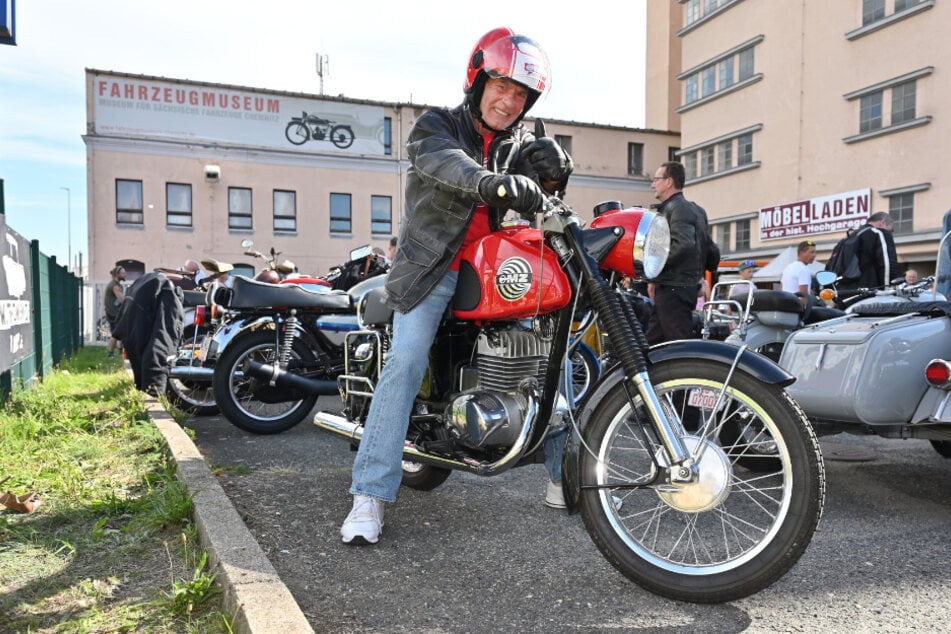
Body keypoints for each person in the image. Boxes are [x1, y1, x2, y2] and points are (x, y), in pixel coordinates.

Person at [340, 27, 573, 545]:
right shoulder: (435, 126)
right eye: (502, 86)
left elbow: (537, 191)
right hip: (433, 269)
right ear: (478, 78)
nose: (509, 101)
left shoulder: (518, 146)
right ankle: (369, 495)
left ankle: (564, 479)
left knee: (559, 353)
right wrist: (491, 181)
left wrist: (553, 176)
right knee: (405, 360)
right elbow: (446, 164)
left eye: (521, 94)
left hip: (496, 271)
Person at [645, 161, 711, 344]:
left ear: (669, 182)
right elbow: (711, 250)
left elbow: (683, 244)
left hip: (673, 289)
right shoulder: (696, 210)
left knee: (678, 345)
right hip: (675, 287)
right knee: (652, 344)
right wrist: (699, 277)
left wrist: (652, 271)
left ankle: (689, 373)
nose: (653, 184)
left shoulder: (677, 208)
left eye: (656, 179)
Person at [845, 211, 899, 289]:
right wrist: (889, 288)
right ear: (882, 222)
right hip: (870, 292)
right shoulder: (879, 233)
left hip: (846, 293)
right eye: (890, 230)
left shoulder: (849, 238)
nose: (890, 233)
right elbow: (888, 265)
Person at [103, 266, 126, 357]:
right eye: (123, 273)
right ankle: (110, 353)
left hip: (114, 312)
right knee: (116, 333)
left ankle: (120, 351)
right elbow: (122, 300)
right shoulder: (115, 286)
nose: (125, 275)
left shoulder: (115, 284)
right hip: (114, 313)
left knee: (120, 332)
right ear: (117, 275)